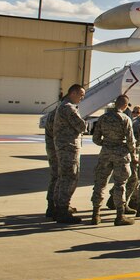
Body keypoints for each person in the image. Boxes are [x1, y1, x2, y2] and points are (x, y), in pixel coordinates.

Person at [89, 95, 137, 226]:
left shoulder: (103, 118)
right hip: (121, 155)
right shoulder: (125, 119)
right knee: (120, 184)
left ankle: (95, 214)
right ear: (125, 106)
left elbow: (96, 139)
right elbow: (131, 141)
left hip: (105, 153)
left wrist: (107, 144)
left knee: (100, 184)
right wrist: (133, 154)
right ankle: (120, 215)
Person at [51, 84, 87, 224]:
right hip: (69, 147)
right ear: (73, 93)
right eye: (81, 94)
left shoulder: (63, 106)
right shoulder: (69, 108)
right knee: (69, 177)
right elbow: (81, 126)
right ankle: (62, 210)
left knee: (62, 177)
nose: (82, 98)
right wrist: (85, 124)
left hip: (64, 146)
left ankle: (58, 207)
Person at [109, 105, 140, 211]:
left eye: (137, 112)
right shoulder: (136, 124)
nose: (135, 114)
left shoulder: (133, 123)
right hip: (132, 153)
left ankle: (130, 200)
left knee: (132, 178)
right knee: (132, 178)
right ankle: (120, 201)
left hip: (133, 152)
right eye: (134, 112)